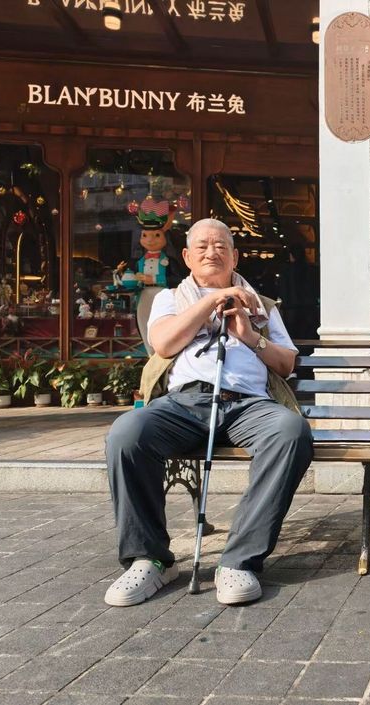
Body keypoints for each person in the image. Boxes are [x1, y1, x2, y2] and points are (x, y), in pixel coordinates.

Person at [104, 218, 313, 607]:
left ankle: (238, 561)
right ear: (186, 256)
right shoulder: (169, 299)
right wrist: (211, 301)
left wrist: (249, 336)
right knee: (127, 433)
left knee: (291, 432)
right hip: (185, 404)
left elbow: (286, 364)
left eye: (220, 246)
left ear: (235, 256)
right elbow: (164, 344)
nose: (211, 252)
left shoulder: (264, 306)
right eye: (201, 246)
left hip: (248, 404)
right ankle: (149, 559)